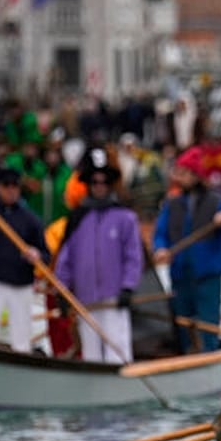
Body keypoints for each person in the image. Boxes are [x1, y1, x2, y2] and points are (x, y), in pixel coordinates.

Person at [55, 149, 144, 363]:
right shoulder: (77, 218)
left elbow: (133, 256)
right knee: (91, 353)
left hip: (114, 299)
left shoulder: (125, 217)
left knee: (118, 348)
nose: (99, 186)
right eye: (95, 181)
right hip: (86, 300)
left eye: (104, 181)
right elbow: (66, 258)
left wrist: (127, 287)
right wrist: (62, 289)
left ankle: (121, 387)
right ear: (89, 184)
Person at [153, 147, 221, 353]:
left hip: (207, 277)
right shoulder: (172, 204)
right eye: (179, 172)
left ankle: (209, 359)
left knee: (208, 327)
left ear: (196, 175)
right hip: (180, 275)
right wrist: (160, 249)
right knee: (184, 326)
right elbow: (160, 233)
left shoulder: (217, 202)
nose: (179, 177)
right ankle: (188, 359)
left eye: (184, 172)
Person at [0, 167, 49, 353]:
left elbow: (45, 255)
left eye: (15, 185)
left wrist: (36, 255)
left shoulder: (31, 220)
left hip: (20, 284)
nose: (11, 190)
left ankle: (20, 363)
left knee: (21, 337)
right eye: (6, 185)